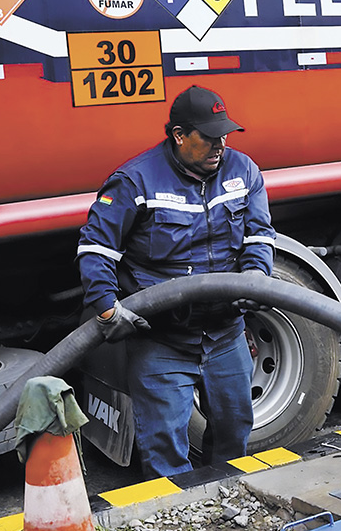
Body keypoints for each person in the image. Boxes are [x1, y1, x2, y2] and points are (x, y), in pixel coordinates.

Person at [76, 85, 275, 478]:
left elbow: (259, 234)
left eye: (224, 135)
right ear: (180, 135)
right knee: (165, 446)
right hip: (162, 339)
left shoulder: (243, 170)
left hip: (225, 333)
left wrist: (256, 275)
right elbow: (96, 248)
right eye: (209, 136)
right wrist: (105, 306)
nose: (220, 145)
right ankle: (178, 521)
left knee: (235, 432)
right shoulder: (135, 181)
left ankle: (230, 503)